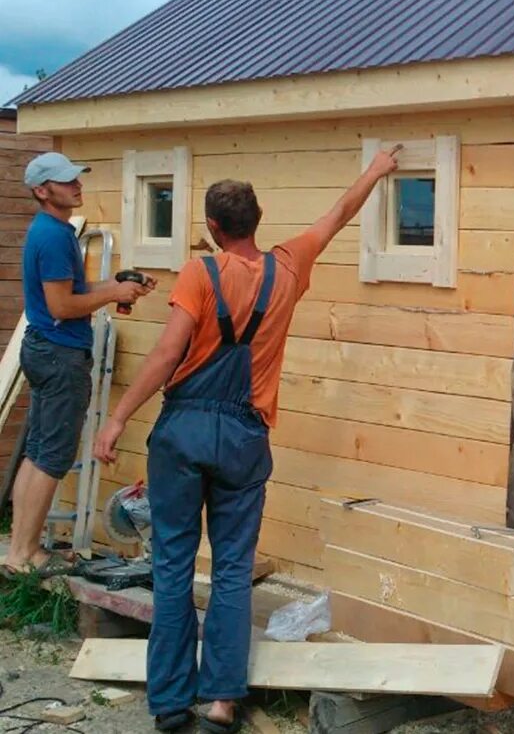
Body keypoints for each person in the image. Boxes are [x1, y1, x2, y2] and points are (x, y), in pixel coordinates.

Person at [93, 144, 401, 734]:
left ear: (212, 228)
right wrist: (377, 168)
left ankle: (169, 705)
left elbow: (166, 354)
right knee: (232, 571)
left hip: (181, 433)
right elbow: (338, 213)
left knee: (174, 565)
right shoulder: (289, 268)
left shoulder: (199, 272)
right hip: (244, 435)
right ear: (257, 222)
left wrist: (116, 419)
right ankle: (221, 705)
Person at [6, 152, 153, 578]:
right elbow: (63, 304)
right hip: (59, 353)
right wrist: (110, 295)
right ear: (41, 190)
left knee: (37, 453)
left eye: (76, 178)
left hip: (46, 347)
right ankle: (25, 554)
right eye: (65, 181)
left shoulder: (56, 231)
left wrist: (116, 284)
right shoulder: (53, 236)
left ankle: (20, 548)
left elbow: (72, 291)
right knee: (52, 455)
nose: (76, 185)